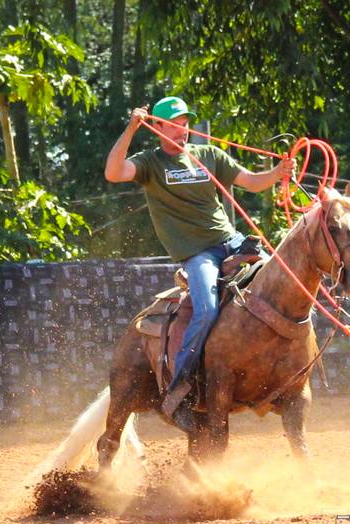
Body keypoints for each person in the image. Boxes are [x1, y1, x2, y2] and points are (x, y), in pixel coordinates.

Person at [104, 96, 296, 427]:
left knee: (281, 281)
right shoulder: (150, 163)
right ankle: (180, 388)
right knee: (205, 309)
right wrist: (132, 127)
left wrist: (278, 172)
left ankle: (284, 372)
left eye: (185, 123)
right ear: (158, 127)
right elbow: (113, 172)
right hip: (198, 254)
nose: (183, 129)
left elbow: (251, 181)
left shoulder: (207, 155)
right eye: (175, 124)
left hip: (232, 241)